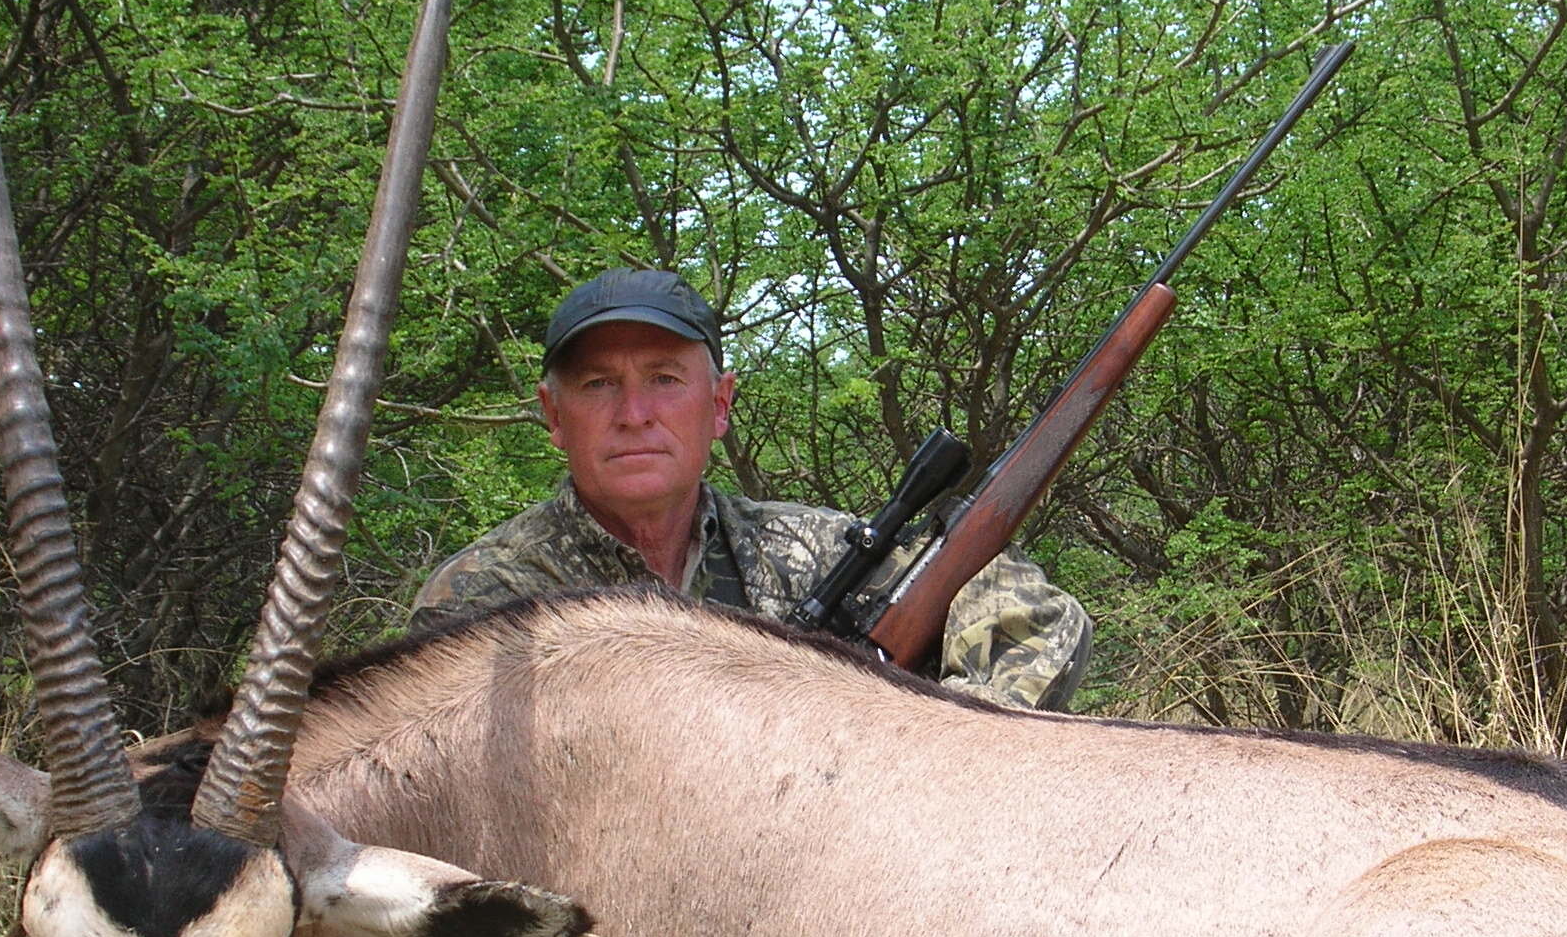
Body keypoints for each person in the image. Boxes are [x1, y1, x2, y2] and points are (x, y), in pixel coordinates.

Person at [411, 268, 1092, 709]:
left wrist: (940, 735)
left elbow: (1021, 601)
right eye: (598, 385)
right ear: (554, 416)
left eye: (664, 379)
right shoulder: (485, 598)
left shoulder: (803, 548)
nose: (634, 414)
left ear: (720, 405)